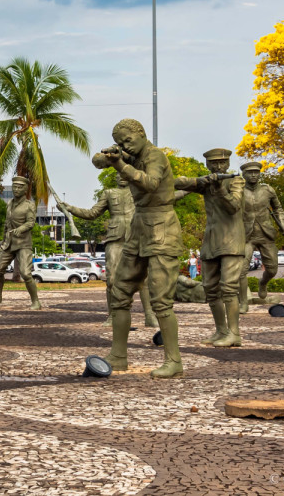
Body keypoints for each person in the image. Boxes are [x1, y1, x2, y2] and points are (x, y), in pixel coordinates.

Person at [97, 119, 184, 378]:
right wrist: (110, 154)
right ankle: (118, 355)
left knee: (160, 299)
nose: (125, 145)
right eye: (121, 142)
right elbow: (97, 161)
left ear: (141, 134)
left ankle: (174, 360)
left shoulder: (155, 156)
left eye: (127, 140)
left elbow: (151, 184)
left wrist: (120, 163)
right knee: (120, 289)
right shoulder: (128, 156)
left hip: (162, 227)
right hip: (138, 227)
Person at [58, 176, 157, 327]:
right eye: (118, 174)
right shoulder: (109, 193)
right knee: (111, 279)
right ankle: (113, 316)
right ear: (115, 177)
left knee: (143, 279)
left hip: (137, 236)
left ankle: (150, 316)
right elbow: (92, 213)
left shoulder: (139, 191)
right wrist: (70, 208)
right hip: (115, 238)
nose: (122, 177)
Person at [175, 149, 246, 347]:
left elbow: (234, 206)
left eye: (222, 163)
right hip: (211, 242)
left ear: (228, 163)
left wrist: (220, 188)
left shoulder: (235, 181)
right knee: (211, 289)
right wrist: (201, 180)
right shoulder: (207, 183)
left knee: (229, 288)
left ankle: (234, 334)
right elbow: (177, 183)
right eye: (213, 163)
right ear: (208, 165)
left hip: (232, 241)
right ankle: (221, 331)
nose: (218, 167)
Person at [237, 161, 284, 312]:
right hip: (246, 235)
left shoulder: (268, 190)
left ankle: (263, 283)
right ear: (244, 174)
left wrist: (283, 225)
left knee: (272, 269)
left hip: (266, 234)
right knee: (241, 270)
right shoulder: (238, 190)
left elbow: (278, 208)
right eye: (250, 172)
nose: (254, 175)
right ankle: (243, 302)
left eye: (256, 172)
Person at [0, 176, 42, 310]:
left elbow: (31, 223)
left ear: (25, 189)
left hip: (23, 243)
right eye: (14, 186)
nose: (16, 189)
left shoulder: (29, 205)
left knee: (26, 273)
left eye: (20, 187)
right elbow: (6, 224)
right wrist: (3, 241)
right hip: (8, 243)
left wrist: (20, 229)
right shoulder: (9, 203)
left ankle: (36, 301)